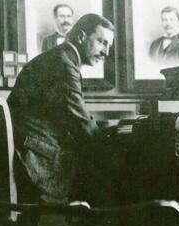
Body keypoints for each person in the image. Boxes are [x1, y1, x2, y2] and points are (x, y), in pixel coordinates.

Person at [8, 13, 114, 203]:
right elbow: (79, 119)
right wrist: (108, 144)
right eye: (102, 42)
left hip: (32, 145)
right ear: (81, 37)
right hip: (35, 155)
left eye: (109, 45)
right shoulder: (64, 64)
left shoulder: (60, 57)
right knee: (109, 167)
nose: (106, 52)